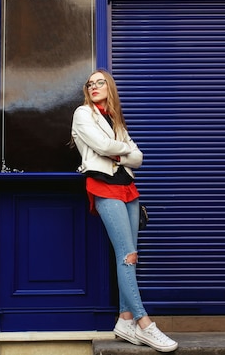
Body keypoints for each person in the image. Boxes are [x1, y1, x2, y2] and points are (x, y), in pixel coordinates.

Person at [71, 69, 178, 352]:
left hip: (127, 188)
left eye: (99, 82)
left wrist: (118, 151)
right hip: (103, 186)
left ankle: (125, 318)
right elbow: (102, 146)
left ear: (110, 87)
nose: (94, 86)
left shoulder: (115, 118)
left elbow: (139, 158)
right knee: (126, 255)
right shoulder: (83, 114)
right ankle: (144, 323)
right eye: (90, 83)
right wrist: (123, 151)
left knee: (132, 255)